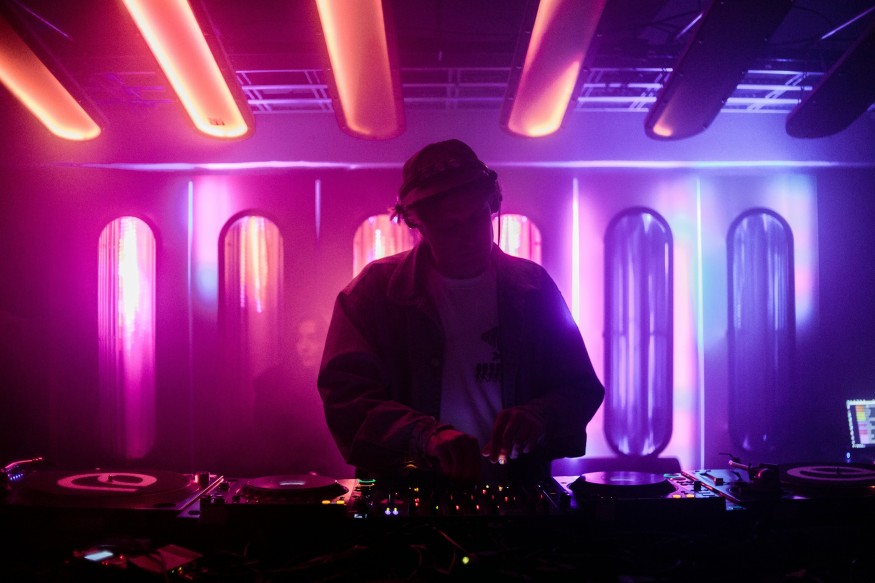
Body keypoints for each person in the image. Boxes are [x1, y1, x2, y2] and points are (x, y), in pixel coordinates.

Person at [317, 139, 604, 484]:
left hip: (504, 495)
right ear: (417, 225)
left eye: (475, 219)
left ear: (492, 205)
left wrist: (538, 417)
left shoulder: (535, 288)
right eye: (448, 227)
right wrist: (424, 436)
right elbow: (345, 398)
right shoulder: (373, 292)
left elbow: (579, 388)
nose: (466, 237)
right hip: (424, 497)